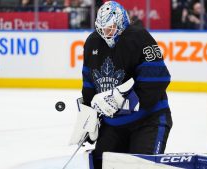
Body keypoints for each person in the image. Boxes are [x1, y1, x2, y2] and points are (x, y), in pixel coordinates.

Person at [72, 1, 172, 169]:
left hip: (147, 121)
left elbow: (158, 80)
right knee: (99, 164)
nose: (106, 33)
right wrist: (89, 116)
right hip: (113, 125)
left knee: (141, 166)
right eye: (102, 28)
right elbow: (89, 82)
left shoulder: (140, 38)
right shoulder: (92, 42)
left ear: (121, 22)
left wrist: (125, 102)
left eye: (110, 28)